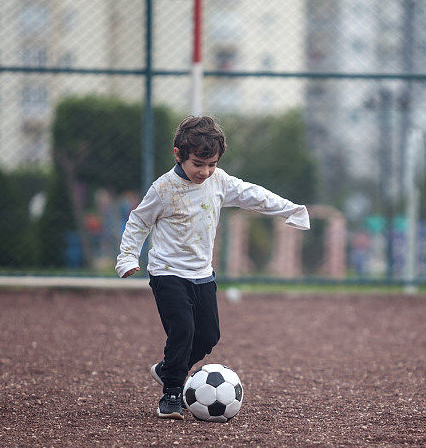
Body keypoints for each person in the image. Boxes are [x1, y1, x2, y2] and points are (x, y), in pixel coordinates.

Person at [116, 116, 310, 419]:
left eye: (212, 165)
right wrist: (127, 258)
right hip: (167, 272)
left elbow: (252, 195)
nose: (205, 172)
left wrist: (291, 210)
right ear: (178, 154)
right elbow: (139, 222)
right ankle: (171, 394)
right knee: (183, 330)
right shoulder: (163, 189)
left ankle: (168, 369)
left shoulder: (218, 182)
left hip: (202, 274)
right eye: (198, 164)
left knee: (208, 336)